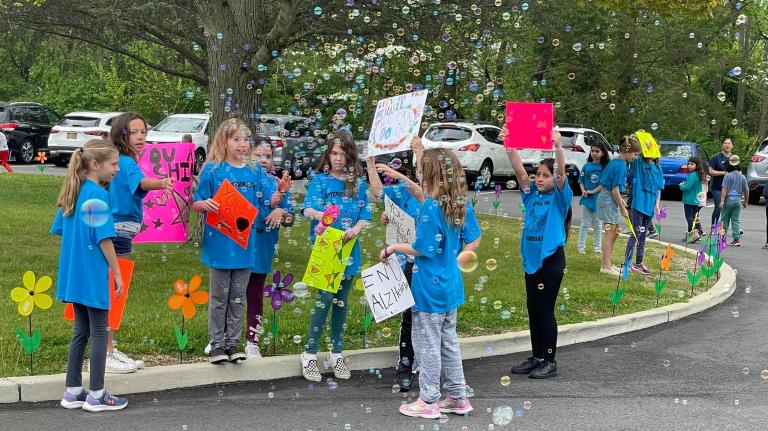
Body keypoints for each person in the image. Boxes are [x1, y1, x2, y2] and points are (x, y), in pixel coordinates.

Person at [380, 148, 481, 419]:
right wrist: (455, 259)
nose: (418, 172)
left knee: (428, 344)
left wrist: (393, 247)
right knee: (449, 341)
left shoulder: (429, 207)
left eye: (421, 168)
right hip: (451, 286)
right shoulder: (460, 203)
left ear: (431, 174)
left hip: (428, 289)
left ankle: (429, 400)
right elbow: (474, 239)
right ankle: (458, 398)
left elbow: (422, 248)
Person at [53, 140, 128, 412]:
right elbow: (105, 239)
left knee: (80, 332)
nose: (117, 169)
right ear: (95, 165)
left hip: (73, 273)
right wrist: (117, 273)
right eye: (114, 163)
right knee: (99, 332)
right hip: (93, 273)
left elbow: (61, 229)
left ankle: (73, 391)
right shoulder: (98, 194)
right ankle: (97, 394)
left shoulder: (73, 192)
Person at [192, 118, 266, 363]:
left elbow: (269, 200)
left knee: (237, 296)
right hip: (220, 246)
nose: (242, 145)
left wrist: (281, 193)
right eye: (236, 139)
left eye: (246, 140)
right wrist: (204, 204)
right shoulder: (213, 170)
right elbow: (197, 202)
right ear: (224, 141)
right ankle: (216, 344)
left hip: (244, 246)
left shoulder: (255, 170)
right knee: (219, 297)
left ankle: (233, 343)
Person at [300, 131, 371, 382]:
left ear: (350, 155)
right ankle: (309, 354)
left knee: (342, 301)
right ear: (328, 154)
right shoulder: (320, 181)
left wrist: (356, 229)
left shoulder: (357, 184)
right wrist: (321, 217)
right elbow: (307, 208)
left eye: (342, 153)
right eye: (333, 153)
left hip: (350, 247)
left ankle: (336, 353)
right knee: (325, 298)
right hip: (327, 245)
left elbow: (365, 214)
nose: (337, 158)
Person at [105, 113, 173, 373]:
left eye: (143, 131)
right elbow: (143, 182)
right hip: (120, 231)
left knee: (112, 289)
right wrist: (162, 182)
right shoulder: (127, 162)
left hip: (117, 230)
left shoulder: (119, 161)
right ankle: (107, 352)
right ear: (122, 136)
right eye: (135, 132)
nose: (141, 136)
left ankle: (109, 348)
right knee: (115, 291)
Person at [502, 128, 572, 379]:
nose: (539, 179)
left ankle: (550, 361)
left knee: (545, 309)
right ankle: (537, 356)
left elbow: (562, 174)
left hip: (551, 260)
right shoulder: (531, 195)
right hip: (531, 261)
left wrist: (558, 148)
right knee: (533, 308)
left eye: (545, 175)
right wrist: (509, 144)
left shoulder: (559, 197)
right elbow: (520, 171)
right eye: (538, 174)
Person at [366, 137, 425, 392]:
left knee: (430, 318)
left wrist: (419, 151)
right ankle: (406, 363)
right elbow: (380, 192)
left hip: (431, 266)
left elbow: (422, 187)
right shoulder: (401, 194)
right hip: (411, 264)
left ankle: (427, 364)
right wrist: (370, 163)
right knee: (409, 317)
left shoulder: (431, 195)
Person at [244, 142, 293, 358]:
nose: (264, 159)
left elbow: (291, 219)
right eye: (259, 154)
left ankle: (252, 341)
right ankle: (222, 338)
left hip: (262, 247)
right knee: (231, 295)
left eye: (268, 155)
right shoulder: (241, 180)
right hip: (239, 246)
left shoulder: (278, 184)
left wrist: (281, 210)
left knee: (255, 295)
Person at [597, 135, 642, 276]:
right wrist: (623, 209)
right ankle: (605, 266)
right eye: (635, 155)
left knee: (614, 231)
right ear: (628, 152)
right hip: (608, 199)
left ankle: (608, 263)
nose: (635, 158)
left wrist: (621, 202)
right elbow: (614, 190)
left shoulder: (618, 162)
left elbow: (613, 188)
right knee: (610, 232)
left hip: (608, 198)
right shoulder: (620, 165)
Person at [624, 153, 664, 275]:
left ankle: (639, 262)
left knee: (643, 235)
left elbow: (658, 188)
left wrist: (657, 204)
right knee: (635, 233)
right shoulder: (639, 163)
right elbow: (633, 156)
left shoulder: (658, 168)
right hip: (638, 204)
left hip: (649, 206)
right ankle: (628, 262)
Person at [577, 144, 609, 254]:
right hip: (587, 199)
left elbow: (603, 184)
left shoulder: (605, 167)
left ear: (603, 153)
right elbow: (581, 180)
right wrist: (583, 190)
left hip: (599, 199)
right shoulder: (586, 166)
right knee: (584, 224)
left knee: (598, 225)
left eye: (597, 151)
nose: (594, 153)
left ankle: (597, 247)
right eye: (592, 151)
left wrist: (593, 191)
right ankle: (581, 247)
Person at [719, 155, 748, 246]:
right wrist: (746, 201)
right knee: (735, 220)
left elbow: (724, 189)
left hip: (728, 200)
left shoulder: (727, 176)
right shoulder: (742, 177)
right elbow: (746, 190)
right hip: (738, 200)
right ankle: (736, 239)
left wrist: (722, 201)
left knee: (725, 220)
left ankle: (722, 239)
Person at [679, 157, 706, 243]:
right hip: (696, 200)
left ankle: (692, 236)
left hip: (689, 200)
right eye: (689, 164)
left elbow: (687, 187)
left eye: (692, 164)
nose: (689, 166)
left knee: (689, 218)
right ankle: (693, 235)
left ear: (696, 165)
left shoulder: (693, 175)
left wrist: (681, 185)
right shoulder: (699, 174)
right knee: (694, 217)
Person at [708, 138, 734, 225]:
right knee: (718, 207)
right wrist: (723, 173)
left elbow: (739, 172)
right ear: (722, 146)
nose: (727, 145)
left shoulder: (734, 159)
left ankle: (729, 227)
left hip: (731, 188)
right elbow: (710, 171)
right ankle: (714, 227)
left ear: (732, 146)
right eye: (725, 143)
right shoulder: (716, 158)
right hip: (717, 187)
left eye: (729, 143)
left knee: (730, 208)